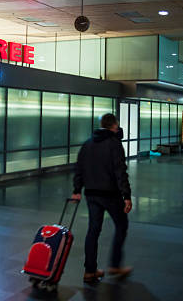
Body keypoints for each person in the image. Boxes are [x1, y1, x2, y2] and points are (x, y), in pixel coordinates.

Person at [72, 113, 133, 283]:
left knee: (93, 230)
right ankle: (114, 265)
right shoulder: (114, 144)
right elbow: (120, 171)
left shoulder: (87, 143)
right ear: (114, 126)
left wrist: (77, 189)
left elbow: (79, 168)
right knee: (122, 225)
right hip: (110, 194)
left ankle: (90, 271)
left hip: (91, 194)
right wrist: (126, 195)